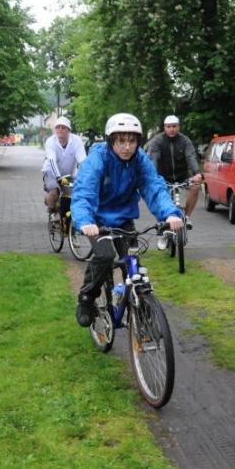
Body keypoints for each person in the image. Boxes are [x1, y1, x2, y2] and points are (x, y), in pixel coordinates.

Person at [71, 113, 184, 327]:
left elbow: (154, 186)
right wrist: (86, 221)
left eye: (132, 141)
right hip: (97, 222)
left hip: (123, 220)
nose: (127, 147)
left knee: (132, 265)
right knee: (104, 256)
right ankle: (86, 298)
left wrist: (170, 213)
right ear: (110, 141)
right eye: (121, 141)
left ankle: (139, 308)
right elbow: (84, 191)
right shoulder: (98, 158)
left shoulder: (140, 159)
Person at [145, 115, 203, 248]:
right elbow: (154, 158)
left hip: (182, 175)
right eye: (169, 127)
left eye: (174, 126)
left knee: (195, 187)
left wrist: (197, 173)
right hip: (163, 177)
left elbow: (191, 157)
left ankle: (186, 217)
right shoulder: (157, 141)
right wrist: (153, 176)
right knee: (160, 200)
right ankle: (162, 232)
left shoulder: (185, 141)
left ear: (178, 127)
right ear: (164, 127)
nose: (171, 129)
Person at [41, 116, 87, 218]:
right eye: (58, 127)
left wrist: (85, 176)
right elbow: (51, 161)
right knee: (54, 191)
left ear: (69, 130)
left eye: (63, 127)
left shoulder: (76, 141)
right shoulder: (50, 141)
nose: (60, 129)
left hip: (69, 173)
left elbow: (82, 161)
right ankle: (51, 209)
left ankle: (68, 221)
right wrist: (58, 178)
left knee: (71, 196)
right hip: (51, 172)